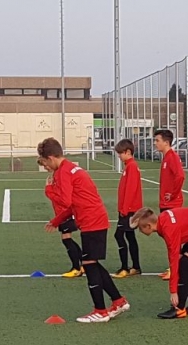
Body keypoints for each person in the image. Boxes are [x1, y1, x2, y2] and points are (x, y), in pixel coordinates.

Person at [39, 138, 130, 323]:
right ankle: (118, 301)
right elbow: (74, 203)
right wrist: (56, 221)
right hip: (94, 219)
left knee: (88, 264)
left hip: (92, 221)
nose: (46, 166)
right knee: (92, 263)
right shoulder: (71, 168)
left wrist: (49, 191)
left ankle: (100, 311)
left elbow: (65, 201)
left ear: (50, 157)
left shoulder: (63, 172)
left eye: (45, 162)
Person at [132, 207, 188, 319]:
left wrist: (173, 291)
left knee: (183, 265)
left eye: (140, 228)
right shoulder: (162, 222)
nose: (140, 231)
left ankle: (179, 308)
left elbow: (173, 260)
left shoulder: (168, 229)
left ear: (148, 226)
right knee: (183, 265)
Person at [39, 155, 84, 278]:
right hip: (62, 212)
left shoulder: (61, 175)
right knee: (67, 238)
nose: (46, 168)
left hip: (65, 212)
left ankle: (76, 267)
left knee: (66, 238)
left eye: (45, 165)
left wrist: (48, 189)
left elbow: (62, 198)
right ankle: (82, 264)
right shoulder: (57, 174)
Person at [154, 129, 185, 281]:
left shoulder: (172, 157)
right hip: (166, 203)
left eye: (157, 140)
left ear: (166, 142)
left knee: (173, 238)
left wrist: (172, 194)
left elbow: (180, 176)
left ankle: (176, 269)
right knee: (169, 238)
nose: (155, 143)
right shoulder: (166, 157)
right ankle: (173, 267)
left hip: (172, 204)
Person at [112, 139, 143, 278]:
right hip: (128, 208)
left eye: (120, 153)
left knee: (119, 235)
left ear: (128, 152)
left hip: (129, 210)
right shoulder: (129, 166)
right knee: (130, 236)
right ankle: (136, 267)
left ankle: (124, 267)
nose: (119, 156)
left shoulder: (132, 166)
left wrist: (124, 209)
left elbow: (131, 189)